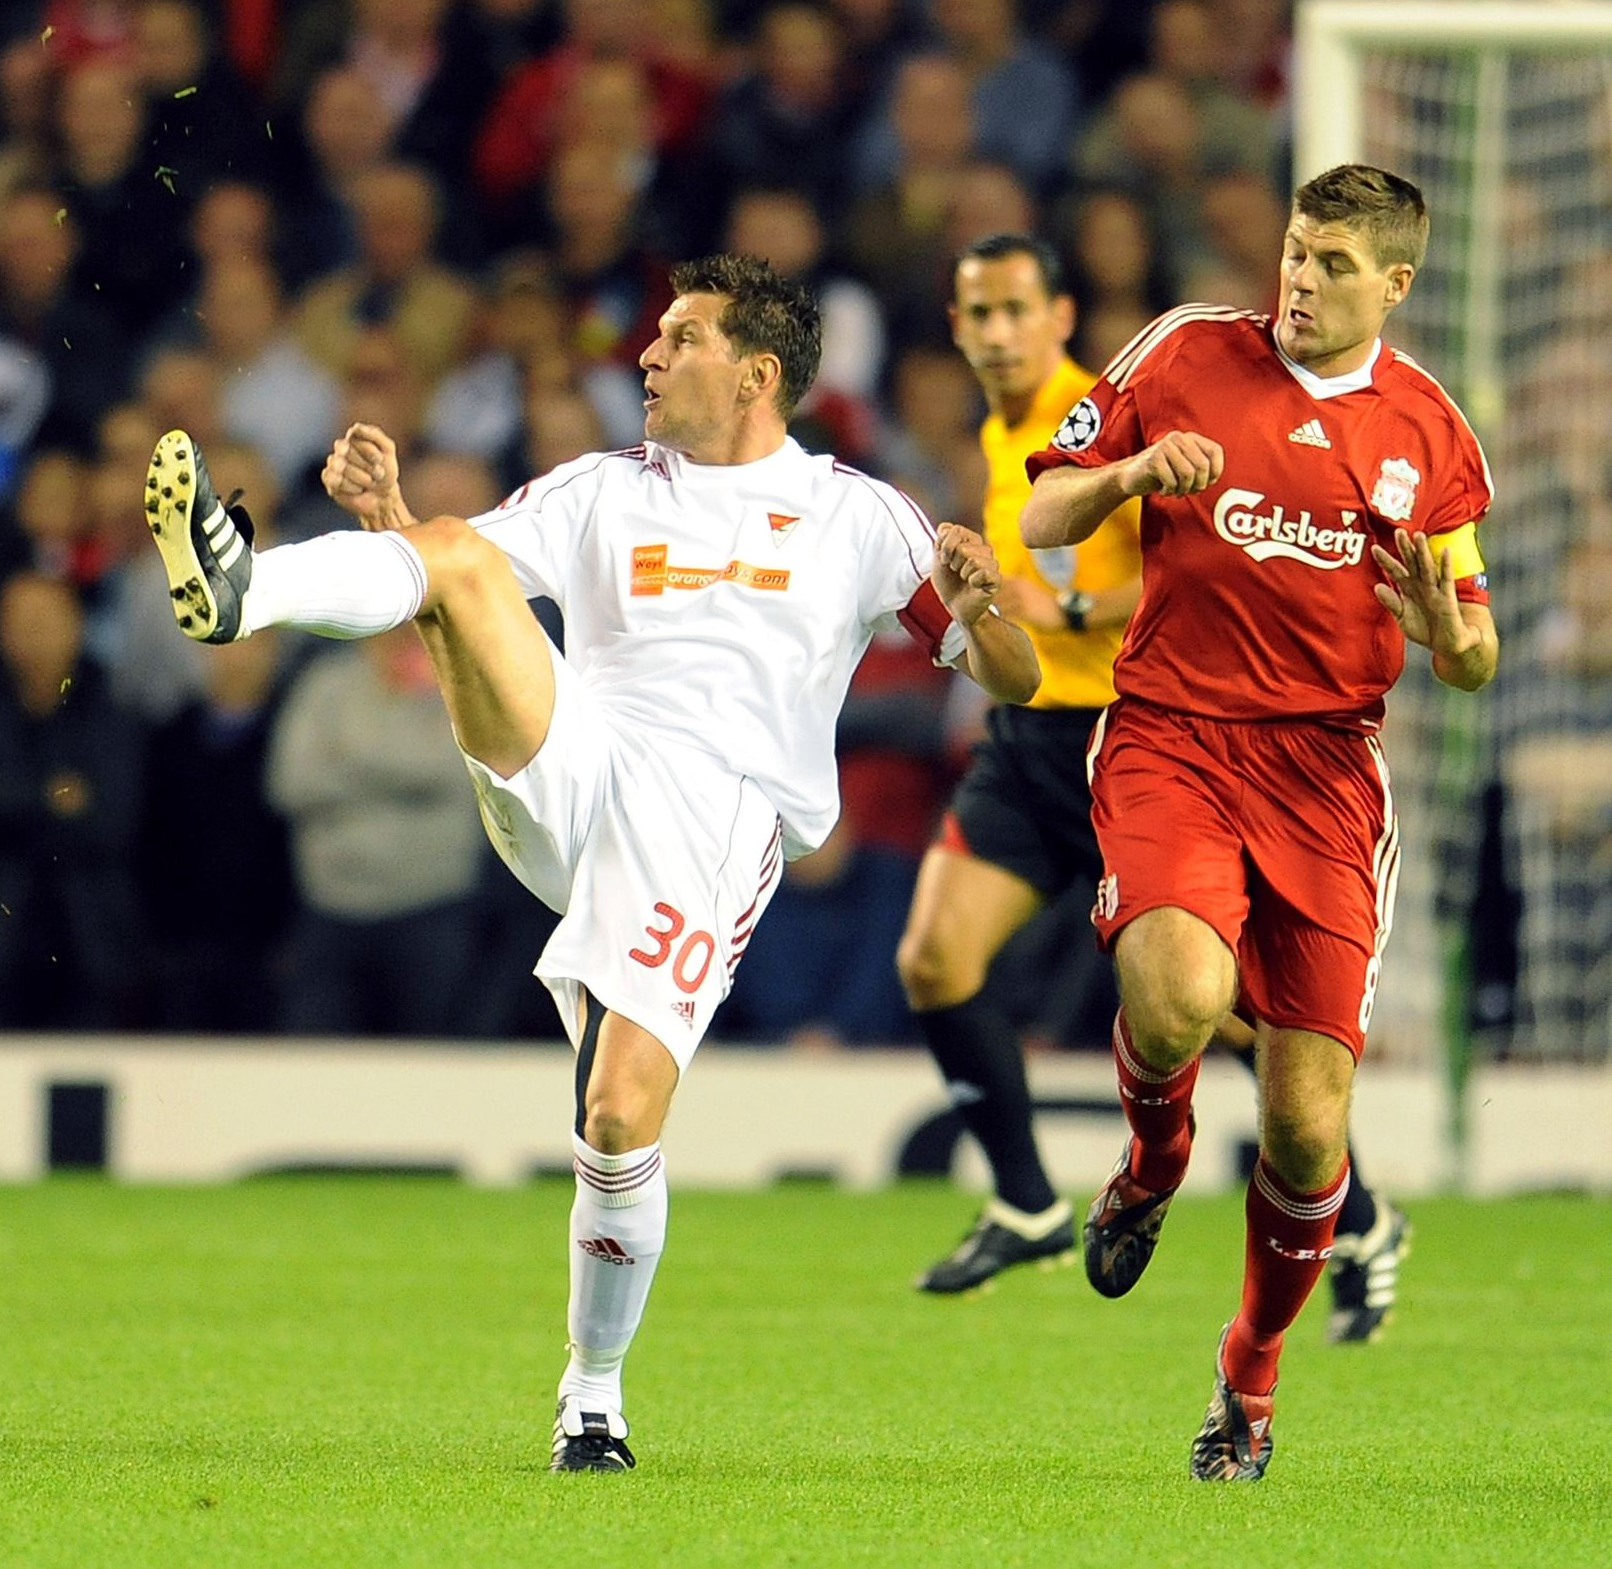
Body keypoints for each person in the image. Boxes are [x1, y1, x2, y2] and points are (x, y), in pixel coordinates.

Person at [145, 254, 1041, 1471]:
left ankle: (593, 1394)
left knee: (617, 1116)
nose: (649, 355)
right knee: (454, 558)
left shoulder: (859, 517)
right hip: (578, 765)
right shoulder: (603, 489)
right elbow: (454, 579)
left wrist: (983, 610)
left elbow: (1016, 681)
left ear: (757, 374)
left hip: (713, 823)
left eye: (680, 338)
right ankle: (242, 590)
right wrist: (399, 532)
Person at [1018, 165, 1497, 1480]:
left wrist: (1445, 626)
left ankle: (1249, 1380)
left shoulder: (1429, 432)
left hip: (1328, 776)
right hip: (1173, 733)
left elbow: (1473, 652)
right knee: (1176, 993)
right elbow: (1040, 508)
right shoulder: (1184, 350)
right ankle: (1152, 1157)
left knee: (1305, 1128)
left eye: (1334, 264)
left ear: (1393, 283)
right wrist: (1123, 472)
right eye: (1295, 252)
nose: (1300, 280)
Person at [897, 234, 1142, 1294]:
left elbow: (1206, 570)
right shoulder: (1001, 435)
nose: (996, 332)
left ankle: (1354, 1212)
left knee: (1207, 1011)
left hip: (1128, 737)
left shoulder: (1109, 414)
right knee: (934, 959)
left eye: (1014, 311)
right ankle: (1028, 1200)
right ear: (956, 327)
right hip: (1032, 734)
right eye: (977, 313)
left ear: (1061, 316)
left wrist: (1071, 606)